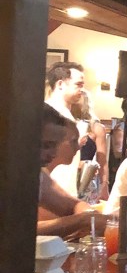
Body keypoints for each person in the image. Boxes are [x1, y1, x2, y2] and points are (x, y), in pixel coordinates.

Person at [37, 104, 108, 239]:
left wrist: (89, 216)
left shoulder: (39, 176)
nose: (53, 152)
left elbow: (73, 205)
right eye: (46, 145)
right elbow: (18, 230)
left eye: (55, 145)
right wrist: (81, 221)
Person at [44, 61, 88, 197]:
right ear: (60, 84)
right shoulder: (49, 114)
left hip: (66, 188)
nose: (82, 89)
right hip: (51, 190)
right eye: (78, 84)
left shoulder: (67, 113)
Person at [71, 90, 108, 201]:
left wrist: (104, 185)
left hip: (86, 178)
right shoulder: (64, 124)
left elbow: (102, 161)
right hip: (66, 174)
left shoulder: (95, 128)